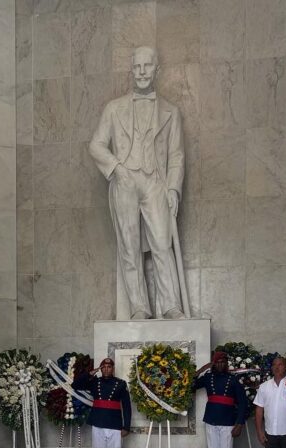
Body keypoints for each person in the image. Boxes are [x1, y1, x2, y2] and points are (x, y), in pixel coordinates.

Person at [89, 46, 186, 321]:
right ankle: (139, 307)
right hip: (125, 180)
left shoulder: (170, 111)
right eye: (137, 67)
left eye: (147, 66)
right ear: (131, 70)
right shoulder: (114, 108)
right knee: (129, 247)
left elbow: (177, 154)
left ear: (157, 70)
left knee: (162, 243)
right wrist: (117, 168)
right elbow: (96, 145)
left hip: (156, 181)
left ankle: (170, 306)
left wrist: (173, 189)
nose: (142, 72)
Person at [193, 351, 248, 448]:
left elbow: (242, 403)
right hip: (211, 420)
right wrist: (201, 370)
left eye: (222, 362)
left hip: (227, 421)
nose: (220, 364)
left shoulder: (233, 379)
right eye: (217, 362)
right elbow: (192, 385)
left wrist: (240, 423)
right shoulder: (208, 377)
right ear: (213, 363)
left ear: (226, 363)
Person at [74, 358, 131, 448]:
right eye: (103, 367)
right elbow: (75, 385)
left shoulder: (121, 384)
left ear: (113, 368)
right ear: (100, 369)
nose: (106, 369)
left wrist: (126, 427)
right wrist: (90, 373)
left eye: (109, 367)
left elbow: (127, 406)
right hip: (98, 423)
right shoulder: (95, 382)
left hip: (114, 423)